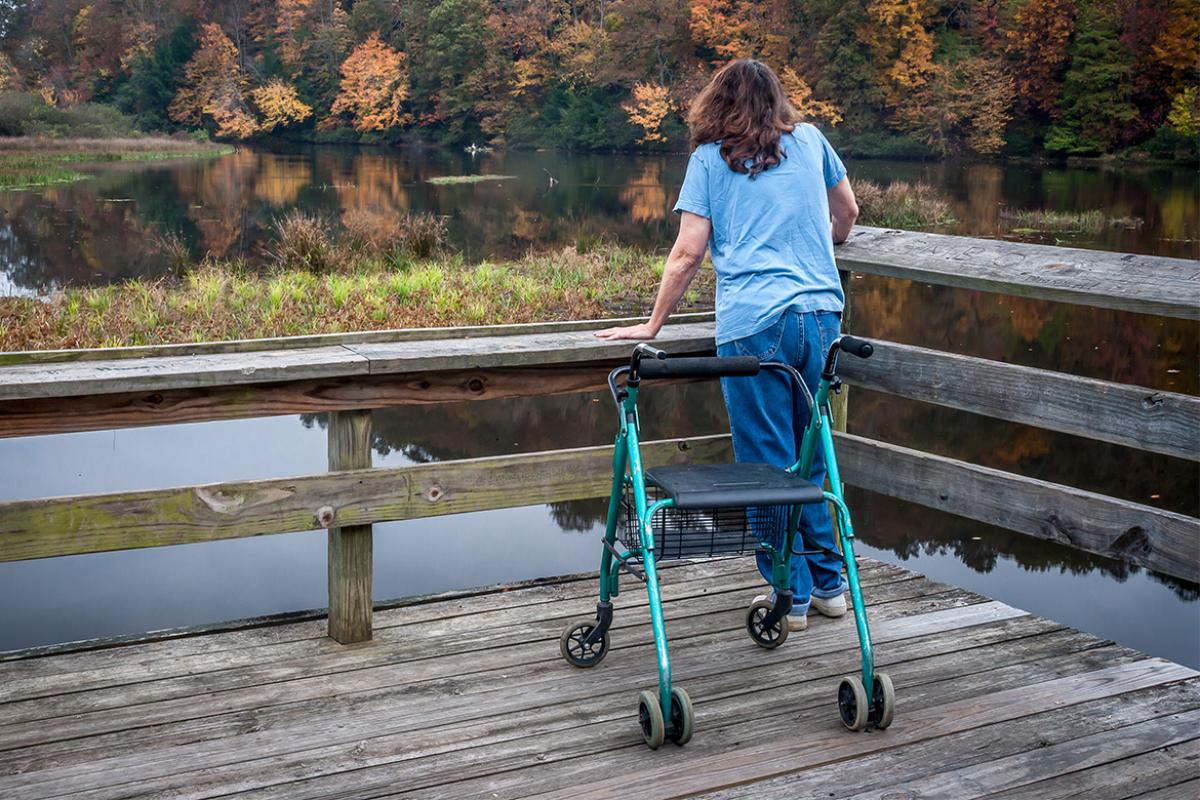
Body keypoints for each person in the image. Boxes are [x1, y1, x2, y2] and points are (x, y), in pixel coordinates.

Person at [595, 59, 860, 632]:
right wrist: (825, 242)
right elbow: (848, 214)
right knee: (810, 452)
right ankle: (832, 584)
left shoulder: (710, 161)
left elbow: (689, 252)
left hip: (755, 324)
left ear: (716, 105)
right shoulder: (812, 141)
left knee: (766, 461)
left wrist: (652, 327)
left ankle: (790, 595)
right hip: (820, 315)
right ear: (778, 101)